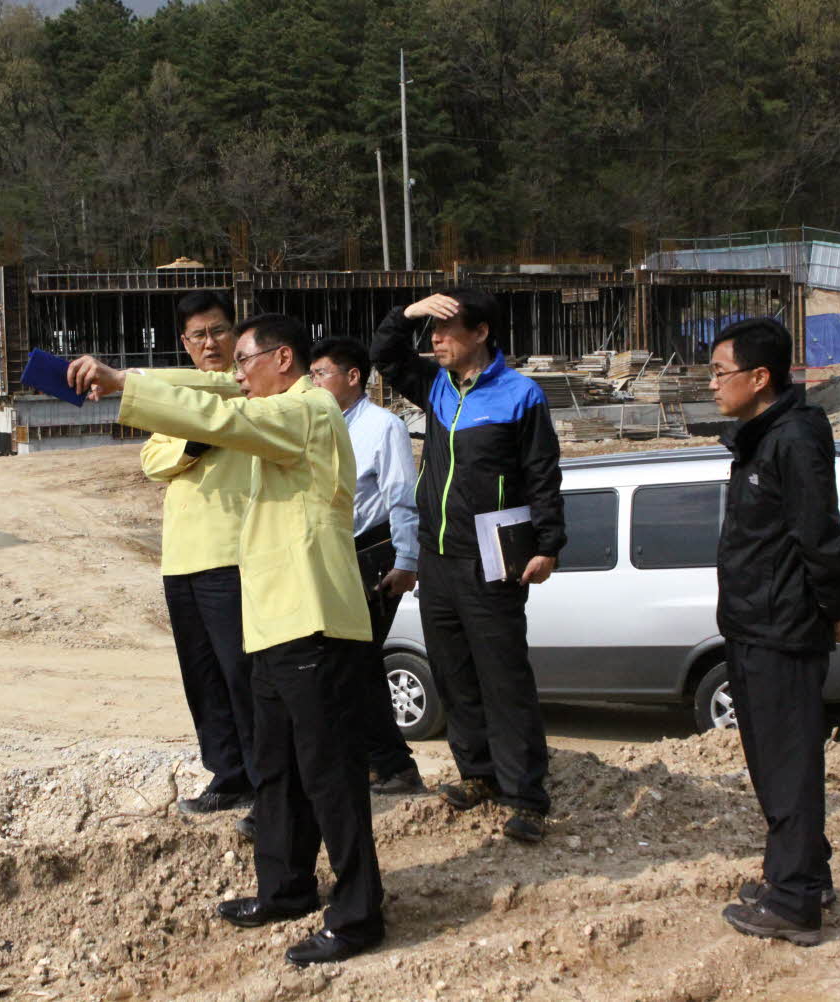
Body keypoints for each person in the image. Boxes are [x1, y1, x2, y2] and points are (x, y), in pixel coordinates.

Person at [69, 314, 384, 967]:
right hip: (273, 618)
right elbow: (210, 390)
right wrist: (143, 381)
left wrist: (124, 382)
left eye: (245, 361)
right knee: (275, 768)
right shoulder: (273, 403)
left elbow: (221, 417)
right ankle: (287, 887)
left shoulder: (309, 412)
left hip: (315, 619)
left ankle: (358, 915)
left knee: (330, 776)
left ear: (284, 359)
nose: (236, 375)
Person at [371, 288, 564, 844]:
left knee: (503, 676)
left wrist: (548, 545)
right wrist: (408, 312)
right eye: (433, 331)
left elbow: (542, 475)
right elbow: (385, 355)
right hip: (439, 555)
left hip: (494, 554)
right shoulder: (436, 387)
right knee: (453, 671)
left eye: (448, 330)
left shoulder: (521, 395)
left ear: (480, 333)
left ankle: (527, 794)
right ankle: (477, 773)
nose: (437, 340)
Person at [710, 317, 840, 947]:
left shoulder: (794, 438)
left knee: (789, 762)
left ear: (760, 377)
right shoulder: (759, 436)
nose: (711, 383)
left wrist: (833, 606)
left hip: (782, 629)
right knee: (772, 762)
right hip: (750, 624)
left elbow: (817, 534)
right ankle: (800, 874)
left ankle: (795, 902)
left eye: (720, 373)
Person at [139, 291, 257, 817]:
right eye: (198, 335)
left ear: (236, 334)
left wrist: (191, 441)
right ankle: (228, 773)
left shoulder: (251, 391)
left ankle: (266, 780)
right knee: (203, 674)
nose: (210, 343)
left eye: (218, 331)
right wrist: (191, 445)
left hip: (232, 554)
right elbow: (152, 459)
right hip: (181, 558)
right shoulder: (177, 400)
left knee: (244, 674)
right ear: (184, 345)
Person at [308, 337, 424, 795]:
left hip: (374, 553)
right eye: (311, 374)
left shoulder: (383, 426)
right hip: (333, 555)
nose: (313, 382)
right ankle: (378, 761)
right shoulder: (317, 423)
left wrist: (407, 558)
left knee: (353, 663)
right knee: (351, 663)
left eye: (322, 374)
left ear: (353, 376)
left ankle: (392, 765)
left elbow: (401, 495)